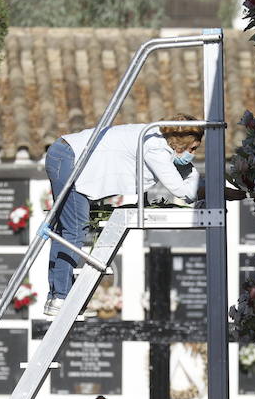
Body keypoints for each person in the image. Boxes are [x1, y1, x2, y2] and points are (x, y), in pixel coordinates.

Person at [42, 116, 203, 318]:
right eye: (193, 148)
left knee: (66, 230)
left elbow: (188, 173)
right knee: (74, 229)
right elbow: (182, 190)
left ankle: (56, 296)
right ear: (181, 143)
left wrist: (212, 186)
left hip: (64, 153)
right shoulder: (155, 148)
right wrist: (205, 188)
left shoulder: (158, 141)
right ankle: (61, 297)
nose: (193, 155)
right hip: (69, 157)